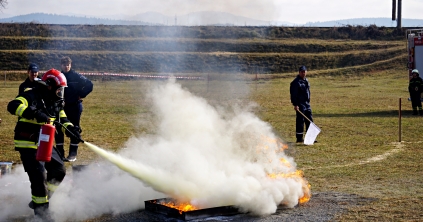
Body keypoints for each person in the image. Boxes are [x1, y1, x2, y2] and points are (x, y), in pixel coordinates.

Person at [7, 69, 82, 219]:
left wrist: (71, 129)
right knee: (38, 178)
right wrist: (34, 113)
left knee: (59, 171)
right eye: (59, 89)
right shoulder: (31, 94)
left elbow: (62, 118)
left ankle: (40, 199)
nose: (60, 92)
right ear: (49, 86)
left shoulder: (56, 101)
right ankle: (42, 215)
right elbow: (13, 105)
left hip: (44, 142)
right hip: (27, 141)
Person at [55, 56, 93, 162]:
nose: (66, 66)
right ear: (61, 65)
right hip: (60, 108)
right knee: (58, 129)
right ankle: (59, 153)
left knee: (74, 129)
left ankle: (72, 153)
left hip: (74, 107)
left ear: (70, 65)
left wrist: (81, 95)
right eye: (64, 64)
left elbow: (89, 84)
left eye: (68, 64)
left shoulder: (76, 76)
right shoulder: (58, 76)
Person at [290, 65, 314, 143]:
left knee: (310, 120)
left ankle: (310, 137)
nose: (303, 73)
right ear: (299, 72)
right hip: (300, 104)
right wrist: (295, 104)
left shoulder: (306, 80)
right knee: (300, 121)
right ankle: (299, 138)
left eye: (304, 72)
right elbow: (293, 94)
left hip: (307, 104)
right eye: (302, 72)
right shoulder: (296, 82)